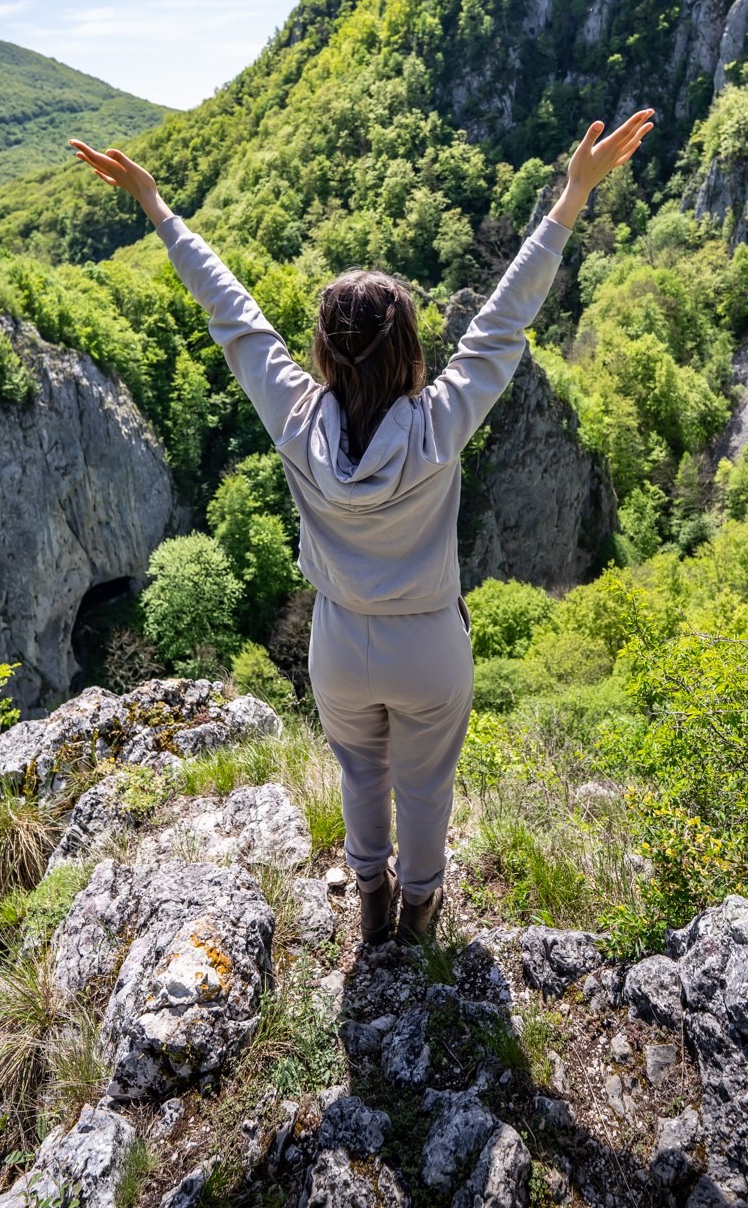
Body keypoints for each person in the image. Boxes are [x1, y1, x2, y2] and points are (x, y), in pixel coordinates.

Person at [69, 108, 655, 944]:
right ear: (410, 345)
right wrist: (569, 197)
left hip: (339, 639)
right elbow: (503, 322)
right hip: (428, 642)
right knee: (425, 785)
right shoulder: (438, 422)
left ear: (321, 350)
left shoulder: (293, 415)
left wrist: (160, 210)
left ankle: (370, 897)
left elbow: (230, 311)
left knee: (359, 771)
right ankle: (418, 907)